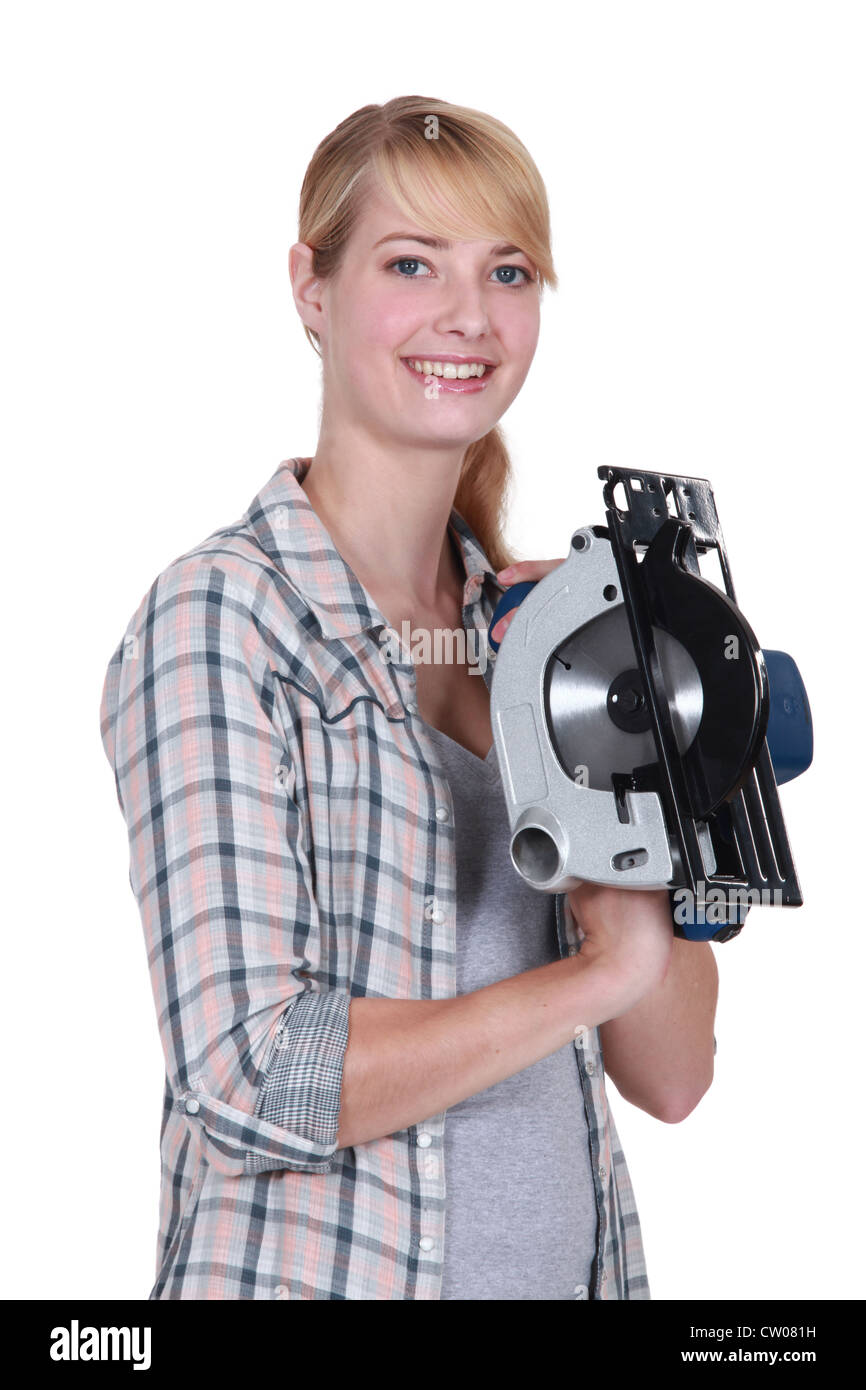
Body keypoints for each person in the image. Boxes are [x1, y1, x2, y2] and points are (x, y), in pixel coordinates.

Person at [99, 95, 718, 1301]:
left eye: (507, 270)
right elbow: (250, 1072)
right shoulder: (224, 618)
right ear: (310, 290)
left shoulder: (551, 648)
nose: (468, 317)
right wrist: (589, 976)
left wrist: (631, 745)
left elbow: (674, 1072)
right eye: (408, 263)